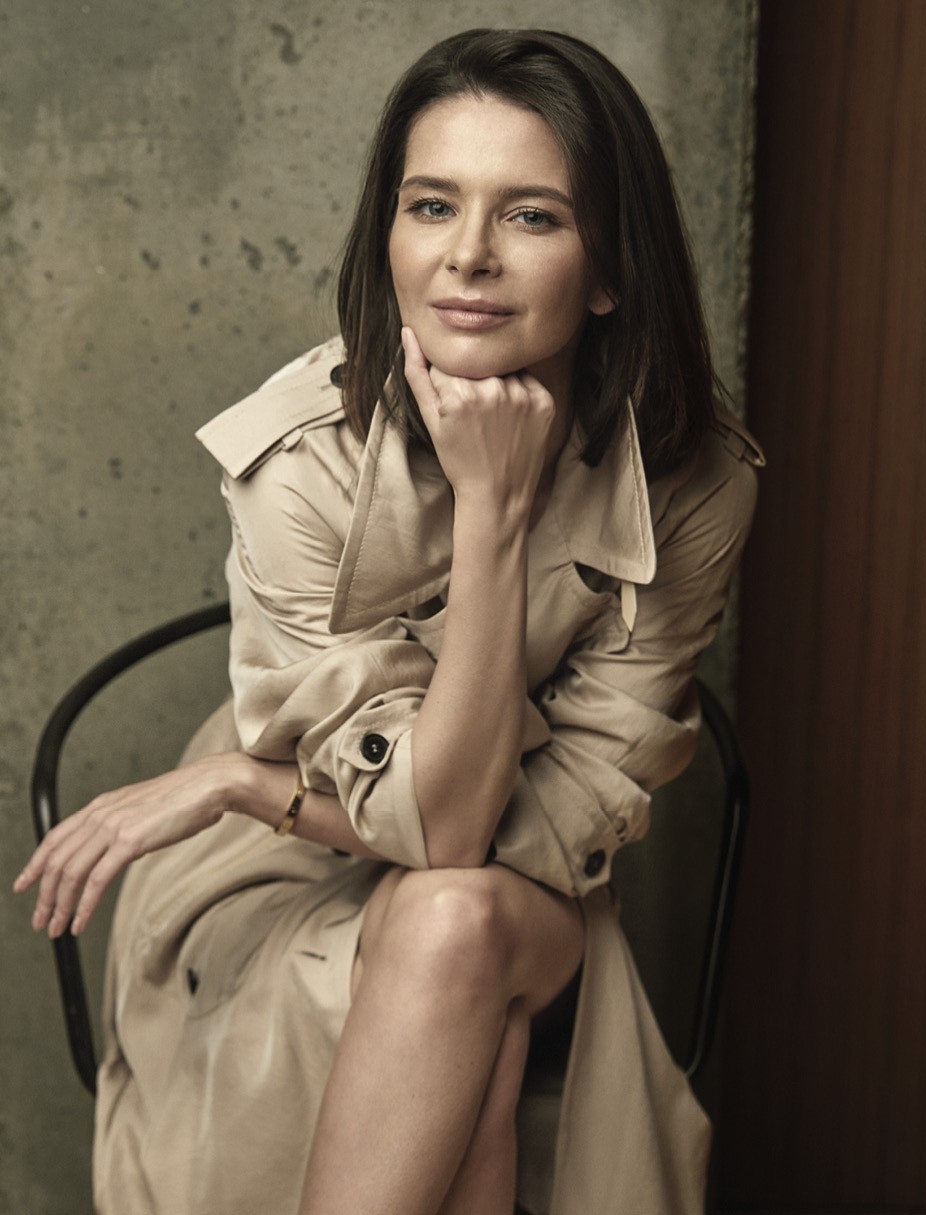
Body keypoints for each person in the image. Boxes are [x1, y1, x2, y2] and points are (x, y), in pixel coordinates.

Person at [15, 27, 762, 1215]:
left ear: (611, 269)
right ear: (390, 235)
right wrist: (489, 512)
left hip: (512, 884)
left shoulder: (698, 482)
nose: (468, 255)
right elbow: (442, 836)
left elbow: (493, 828)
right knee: (464, 984)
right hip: (278, 878)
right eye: (431, 206)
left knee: (456, 921)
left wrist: (244, 781)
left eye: (532, 216)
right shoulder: (297, 463)